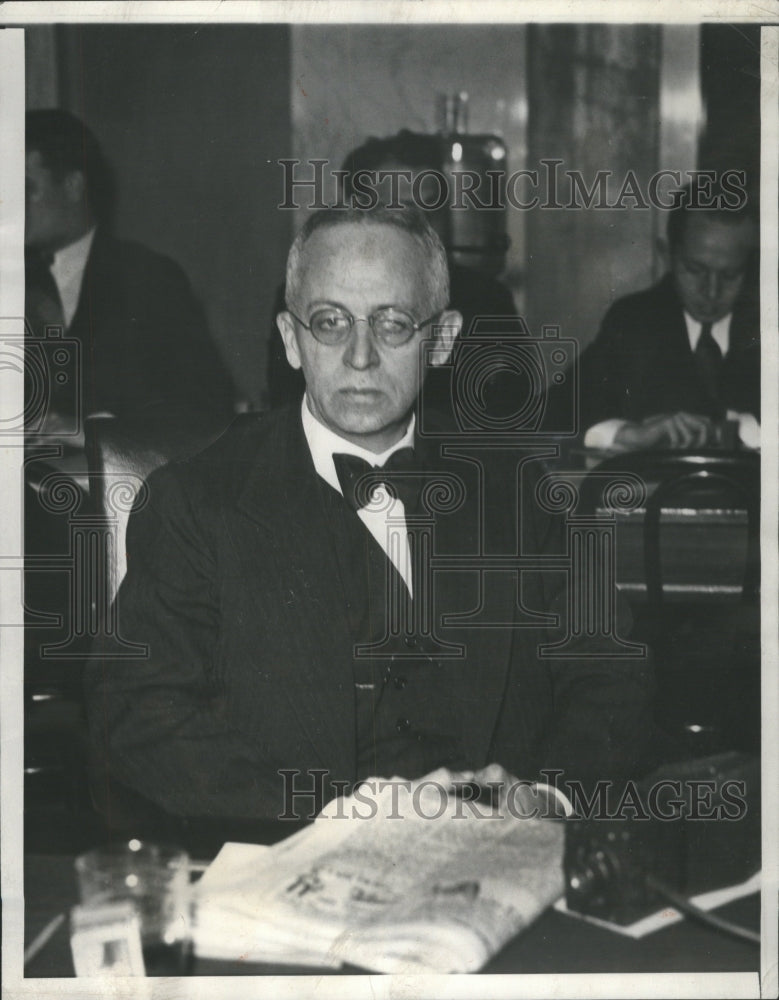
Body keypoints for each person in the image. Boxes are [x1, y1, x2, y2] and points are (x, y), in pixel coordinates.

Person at [86, 207, 658, 827]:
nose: (360, 357)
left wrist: (545, 797)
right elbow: (139, 712)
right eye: (330, 323)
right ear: (290, 338)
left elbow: (610, 673)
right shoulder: (195, 502)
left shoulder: (515, 490)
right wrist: (335, 817)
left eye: (393, 323)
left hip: (489, 860)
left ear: (440, 340)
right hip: (293, 862)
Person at [267, 130, 521, 420]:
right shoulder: (306, 296)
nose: (423, 228)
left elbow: (506, 419)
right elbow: (289, 412)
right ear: (355, 215)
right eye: (403, 214)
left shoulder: (486, 299)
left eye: (433, 208)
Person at [25, 109, 234, 437]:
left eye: (26, 188)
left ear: (73, 185)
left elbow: (204, 405)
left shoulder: (149, 279)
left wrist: (91, 431)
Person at [578, 185, 759, 451]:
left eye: (730, 276)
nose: (711, 292)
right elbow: (558, 412)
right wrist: (627, 433)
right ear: (668, 256)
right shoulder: (632, 321)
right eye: (695, 270)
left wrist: (739, 428)